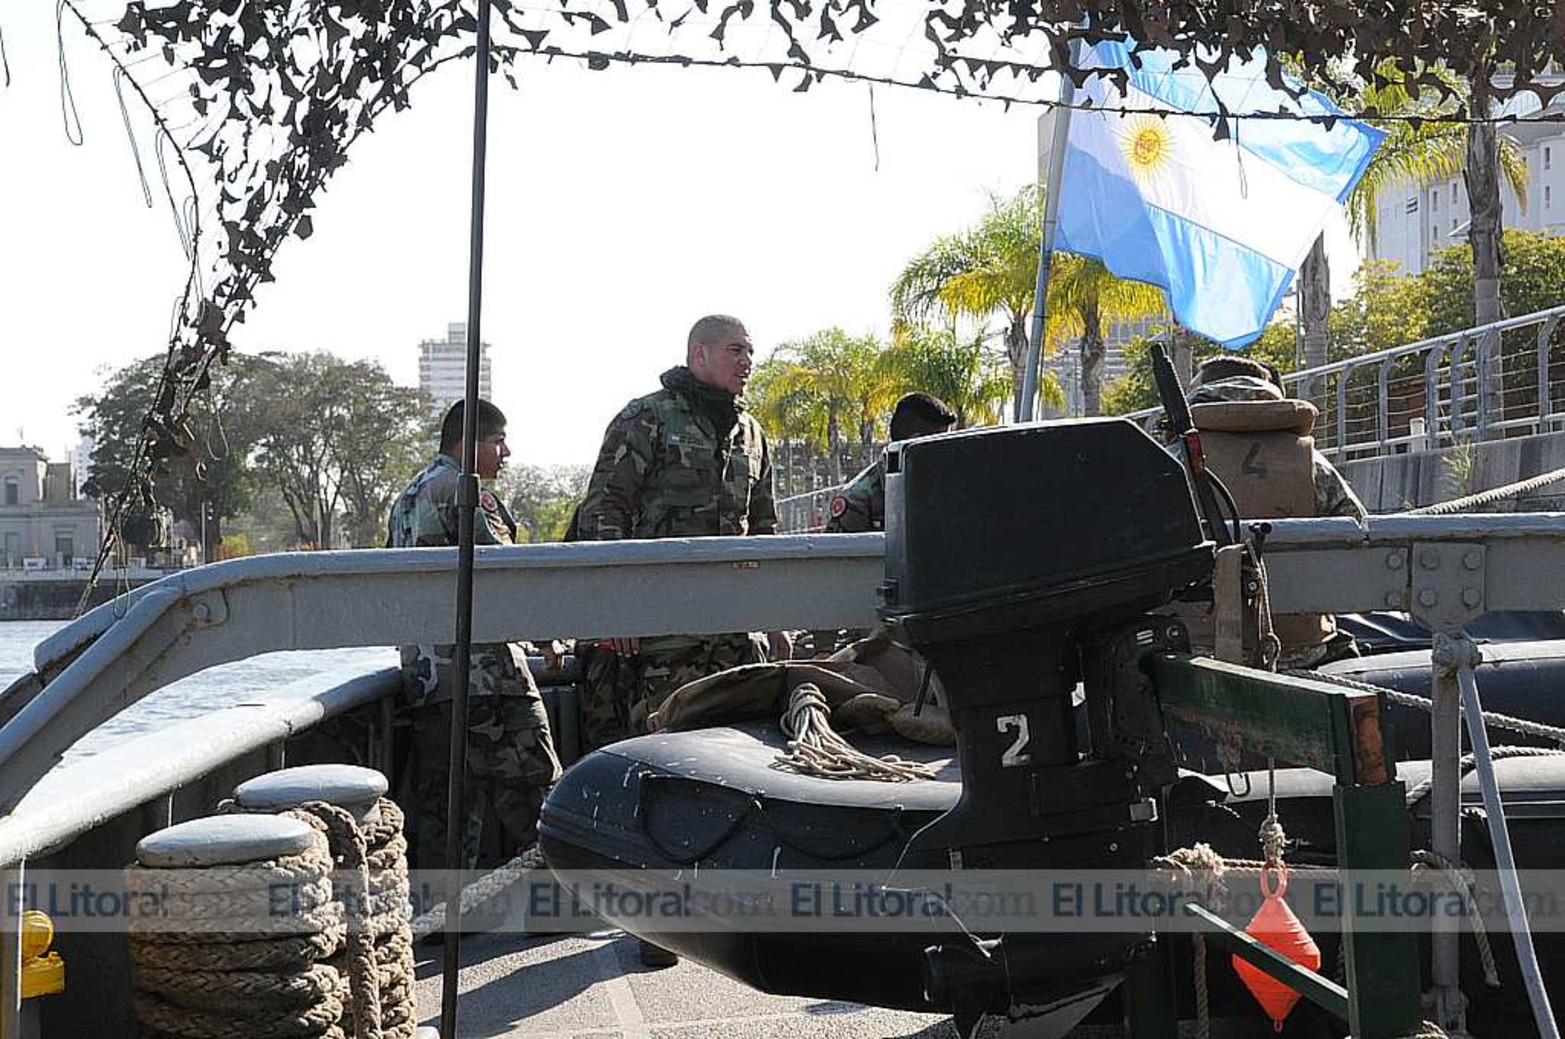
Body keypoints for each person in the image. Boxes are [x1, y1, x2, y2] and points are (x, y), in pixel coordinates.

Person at [574, 314, 786, 966]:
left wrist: (777, 613)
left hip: (731, 637)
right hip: (662, 640)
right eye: (735, 349)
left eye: (750, 351)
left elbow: (764, 530)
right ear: (699, 354)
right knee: (659, 773)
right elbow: (602, 514)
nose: (747, 360)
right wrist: (616, 608)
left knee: (738, 768)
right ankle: (652, 921)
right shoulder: (646, 419)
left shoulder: (753, 434)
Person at [387, 398, 563, 916]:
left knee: (446, 809)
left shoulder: (406, 498)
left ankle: (443, 920)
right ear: (468, 443)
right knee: (538, 792)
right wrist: (547, 637)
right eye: (498, 441)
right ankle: (553, 909)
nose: (506, 453)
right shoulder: (467, 493)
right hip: (487, 678)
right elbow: (504, 577)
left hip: (428, 681)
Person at [1180, 356, 1363, 668]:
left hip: (1199, 652)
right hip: (1300, 652)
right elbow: (1357, 538)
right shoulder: (1312, 462)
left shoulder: (1175, 461)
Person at [825, 392, 958, 534]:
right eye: (941, 445)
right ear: (916, 444)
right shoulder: (857, 500)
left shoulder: (952, 485)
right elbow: (838, 547)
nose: (947, 452)